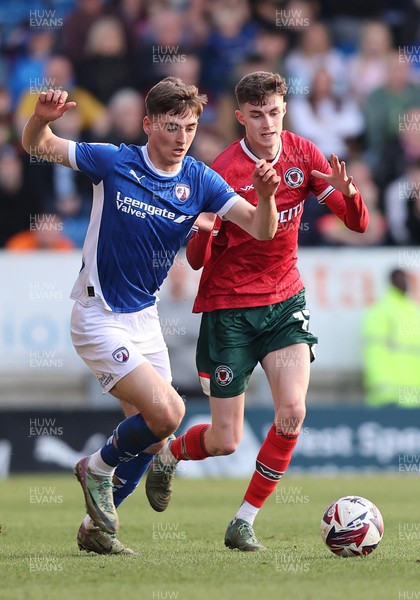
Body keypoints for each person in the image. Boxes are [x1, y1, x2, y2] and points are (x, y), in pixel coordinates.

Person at [21, 77, 280, 555]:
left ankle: (96, 532)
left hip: (145, 322)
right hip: (97, 316)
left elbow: (262, 230)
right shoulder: (114, 161)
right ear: (147, 125)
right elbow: (36, 145)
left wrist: (265, 197)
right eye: (171, 126)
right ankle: (95, 468)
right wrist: (40, 119)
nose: (182, 137)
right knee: (170, 412)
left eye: (190, 126)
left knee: (155, 440)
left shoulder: (199, 179)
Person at [145, 71, 369, 551]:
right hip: (230, 310)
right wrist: (204, 230)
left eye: (275, 112)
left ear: (284, 108)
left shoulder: (304, 155)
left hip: (285, 301)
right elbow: (197, 261)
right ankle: (170, 456)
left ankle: (244, 520)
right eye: (258, 115)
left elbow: (358, 225)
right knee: (225, 440)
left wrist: (350, 195)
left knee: (292, 411)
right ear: (241, 116)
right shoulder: (222, 171)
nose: (268, 123)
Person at [362, 269, 420, 407]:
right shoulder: (380, 311)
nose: (404, 283)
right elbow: (374, 352)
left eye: (405, 279)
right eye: (400, 279)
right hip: (388, 397)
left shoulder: (413, 310)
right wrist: (382, 385)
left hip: (414, 397)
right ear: (391, 282)